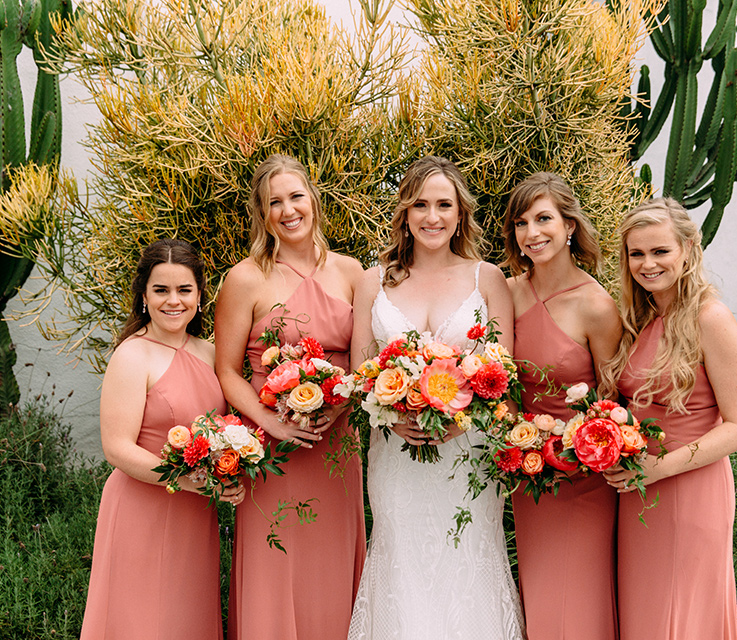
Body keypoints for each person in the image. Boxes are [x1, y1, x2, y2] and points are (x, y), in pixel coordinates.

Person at [347, 156, 524, 639]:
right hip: (396, 457)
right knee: (401, 561)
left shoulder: (486, 279)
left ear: (460, 213)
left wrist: (462, 418)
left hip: (467, 457)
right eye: (420, 204)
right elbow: (360, 372)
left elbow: (501, 372)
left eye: (444, 204)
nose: (432, 216)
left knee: (468, 557)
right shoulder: (372, 280)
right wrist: (389, 415)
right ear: (404, 212)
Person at [214, 154, 366, 640]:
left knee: (332, 565)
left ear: (314, 202)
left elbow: (365, 364)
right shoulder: (244, 279)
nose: (288, 209)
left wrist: (339, 405)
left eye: (295, 196)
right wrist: (273, 422)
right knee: (276, 563)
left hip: (337, 447)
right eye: (273, 202)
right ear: (262, 214)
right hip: (274, 450)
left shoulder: (351, 272)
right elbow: (228, 370)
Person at [600, 198, 737, 639]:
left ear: (688, 249)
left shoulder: (712, 319)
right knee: (648, 616)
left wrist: (659, 468)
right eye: (636, 253)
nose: (647, 264)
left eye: (660, 251)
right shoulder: (644, 319)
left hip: (689, 489)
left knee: (680, 616)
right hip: (638, 492)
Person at [81, 238, 243, 639]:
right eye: (161, 290)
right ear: (143, 297)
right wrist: (188, 481)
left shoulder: (210, 352)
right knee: (141, 621)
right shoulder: (132, 356)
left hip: (194, 513)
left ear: (200, 296)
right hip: (143, 509)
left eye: (184, 290)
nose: (174, 301)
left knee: (184, 618)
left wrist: (231, 473)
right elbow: (116, 447)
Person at [502, 172, 622, 640]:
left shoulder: (596, 305)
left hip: (583, 478)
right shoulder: (507, 293)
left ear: (569, 225)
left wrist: (575, 446)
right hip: (527, 471)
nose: (532, 233)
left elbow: (613, 398)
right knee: (542, 595)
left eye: (544, 218)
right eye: (522, 222)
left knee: (577, 596)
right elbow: (496, 378)